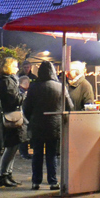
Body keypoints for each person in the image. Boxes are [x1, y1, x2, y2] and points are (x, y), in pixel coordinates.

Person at [23, 61, 73, 191]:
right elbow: (70, 107)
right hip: (54, 125)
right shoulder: (60, 87)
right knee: (51, 154)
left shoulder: (34, 87)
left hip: (37, 125)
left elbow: (26, 108)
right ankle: (53, 181)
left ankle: (36, 182)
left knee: (37, 154)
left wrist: (30, 119)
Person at [0, 57, 27, 188]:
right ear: (8, 67)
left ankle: (7, 174)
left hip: (12, 115)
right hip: (11, 117)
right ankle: (3, 175)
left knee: (13, 147)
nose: (17, 68)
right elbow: (14, 100)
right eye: (15, 66)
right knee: (11, 147)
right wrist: (24, 93)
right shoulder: (6, 81)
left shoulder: (7, 80)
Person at [17, 76, 32, 160]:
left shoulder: (23, 92)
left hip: (24, 116)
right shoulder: (22, 93)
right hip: (23, 116)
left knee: (24, 135)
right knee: (23, 135)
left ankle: (24, 152)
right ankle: (24, 153)